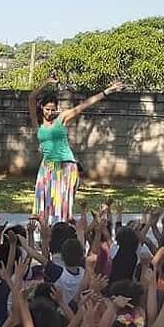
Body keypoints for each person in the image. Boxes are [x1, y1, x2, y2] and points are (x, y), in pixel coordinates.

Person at [28, 77, 123, 222]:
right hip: (48, 166)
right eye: (47, 109)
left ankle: (63, 232)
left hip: (66, 165)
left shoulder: (62, 119)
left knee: (63, 206)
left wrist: (107, 91)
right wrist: (46, 83)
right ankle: (40, 235)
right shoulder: (37, 123)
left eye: (53, 110)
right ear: (42, 107)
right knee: (42, 202)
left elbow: (83, 105)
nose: (50, 113)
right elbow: (31, 97)